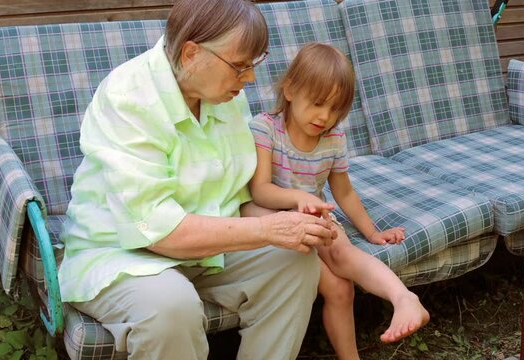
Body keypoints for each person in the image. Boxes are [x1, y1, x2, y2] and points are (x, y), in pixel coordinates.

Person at [57, 1, 337, 359]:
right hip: (122, 254)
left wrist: (297, 224)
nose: (249, 78)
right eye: (240, 66)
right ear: (191, 53)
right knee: (171, 306)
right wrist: (270, 230)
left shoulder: (224, 95)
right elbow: (159, 231)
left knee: (295, 263)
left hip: (204, 251)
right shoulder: (129, 98)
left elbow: (235, 201)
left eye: (253, 64)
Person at [248, 43, 430, 360]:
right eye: (318, 103)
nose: (325, 117)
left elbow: (344, 192)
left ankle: (403, 297)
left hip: (316, 216)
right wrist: (298, 198)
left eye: (335, 110)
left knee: (343, 262)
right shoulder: (265, 129)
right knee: (338, 287)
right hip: (271, 219)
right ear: (290, 89)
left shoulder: (333, 139)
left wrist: (372, 233)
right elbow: (259, 190)